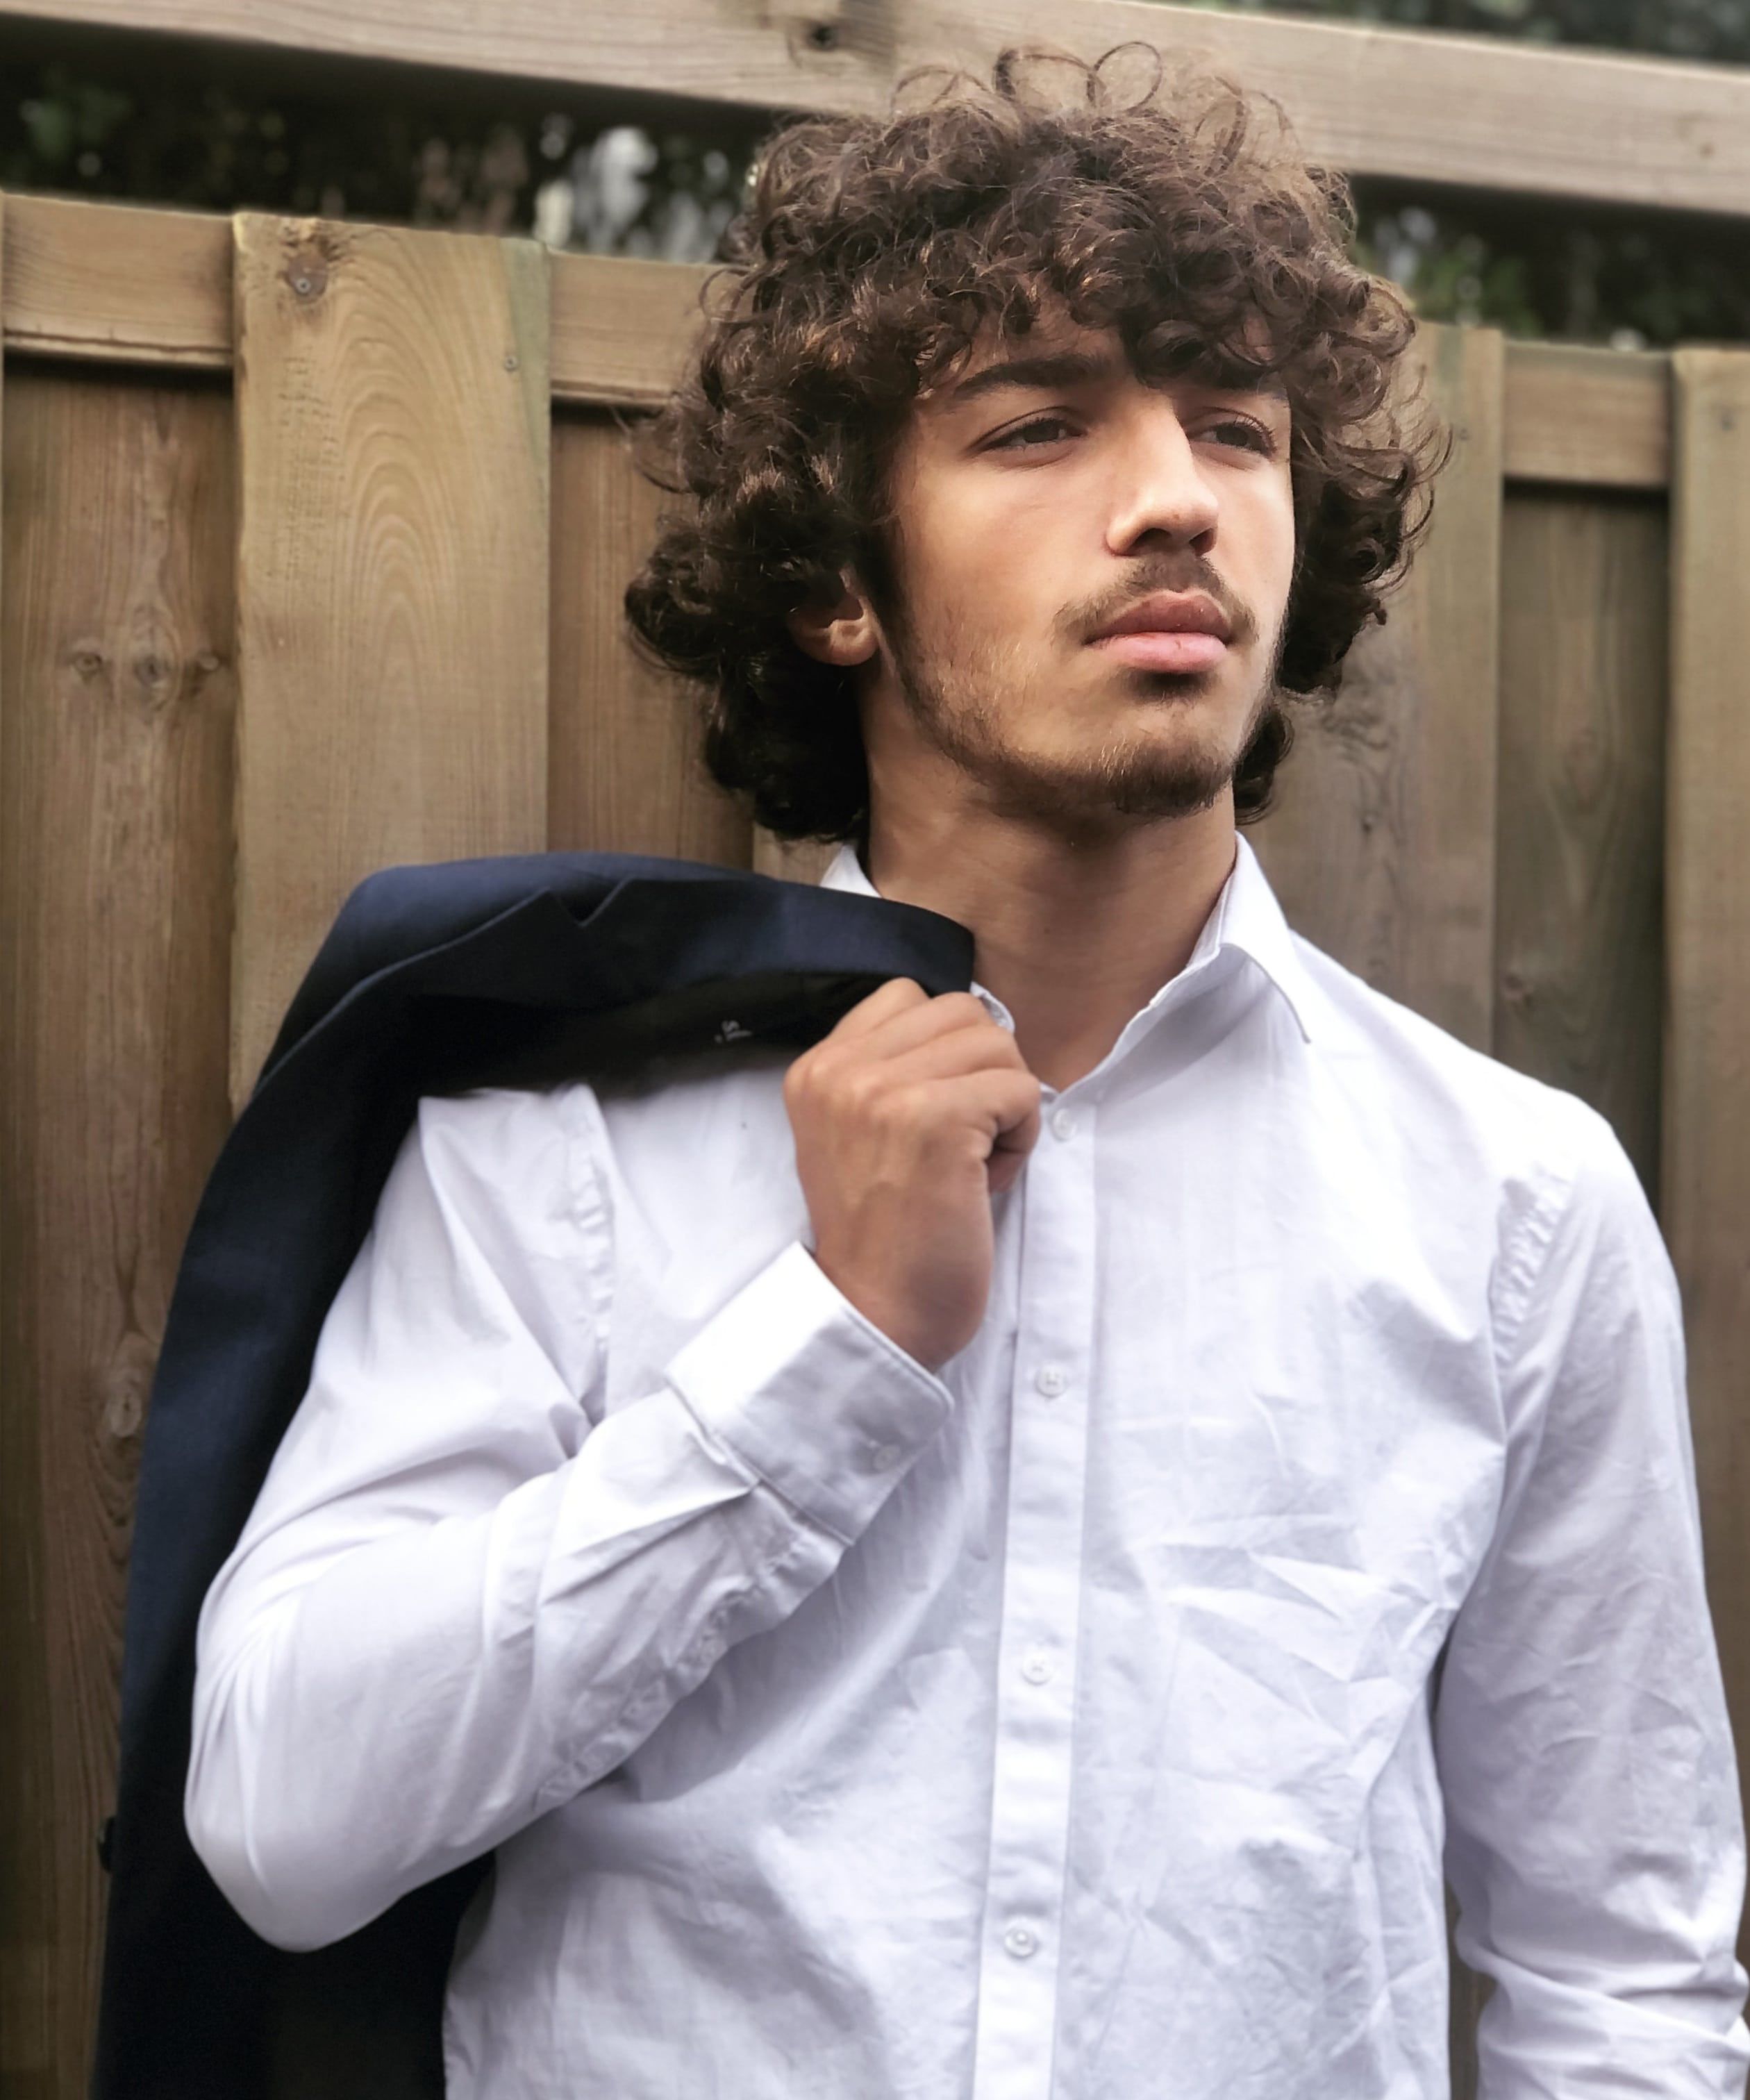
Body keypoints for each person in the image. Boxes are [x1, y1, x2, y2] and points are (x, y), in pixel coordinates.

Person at [185, 44, 1750, 2098]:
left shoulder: (1514, 1208)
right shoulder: (567, 1141)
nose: (1180, 494)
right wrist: (824, 1353)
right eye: (1037, 427)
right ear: (840, 582)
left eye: (1238, 429)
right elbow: (284, 1823)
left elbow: (1625, 1980)